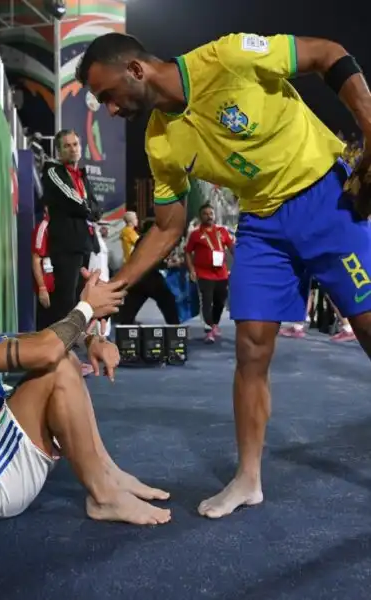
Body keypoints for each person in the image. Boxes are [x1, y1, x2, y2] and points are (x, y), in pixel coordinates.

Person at [76, 32, 371, 518]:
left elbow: (328, 53)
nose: (108, 109)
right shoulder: (160, 140)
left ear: (135, 70)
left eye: (107, 95)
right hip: (262, 224)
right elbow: (168, 227)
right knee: (250, 348)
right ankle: (248, 479)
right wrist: (115, 285)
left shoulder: (230, 57)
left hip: (325, 199)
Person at [0, 243, 171, 525]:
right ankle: (104, 496)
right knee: (56, 365)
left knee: (61, 356)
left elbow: (34, 338)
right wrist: (87, 307)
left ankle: (108, 474)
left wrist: (90, 338)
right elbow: (45, 350)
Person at [43, 129, 102, 323]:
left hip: (84, 244)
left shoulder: (82, 175)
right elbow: (72, 200)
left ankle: (73, 341)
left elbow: (96, 206)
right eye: (67, 146)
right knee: (65, 299)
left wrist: (92, 211)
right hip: (66, 245)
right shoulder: (53, 171)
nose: (72, 149)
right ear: (59, 151)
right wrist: (90, 211)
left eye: (75, 144)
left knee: (79, 298)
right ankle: (58, 345)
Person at [185, 203, 234, 343]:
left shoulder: (222, 231)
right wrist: (192, 270)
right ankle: (209, 329)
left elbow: (232, 249)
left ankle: (214, 324)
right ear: (201, 216)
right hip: (204, 274)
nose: (209, 216)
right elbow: (187, 253)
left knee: (220, 301)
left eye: (211, 213)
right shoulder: (195, 234)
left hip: (222, 273)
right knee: (206, 302)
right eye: (205, 214)